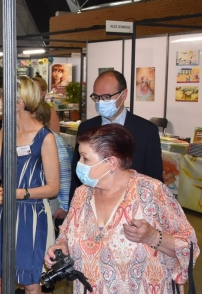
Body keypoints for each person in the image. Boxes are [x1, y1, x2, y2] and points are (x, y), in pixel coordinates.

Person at [45, 124, 199, 294]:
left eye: (85, 159)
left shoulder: (152, 193)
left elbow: (190, 245)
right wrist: (61, 248)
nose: (79, 165)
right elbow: (67, 236)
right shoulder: (81, 195)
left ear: (112, 162)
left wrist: (154, 237)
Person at [0, 76, 59, 294]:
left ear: (21, 101)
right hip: (4, 213)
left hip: (32, 216)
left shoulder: (45, 138)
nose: (0, 102)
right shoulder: (5, 132)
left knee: (30, 281)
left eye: (6, 97)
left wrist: (19, 194)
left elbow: (53, 188)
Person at [69, 70, 163, 201]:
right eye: (96, 97)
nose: (101, 102)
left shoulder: (146, 131)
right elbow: (77, 173)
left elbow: (154, 178)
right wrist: (73, 205)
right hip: (92, 203)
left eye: (106, 97)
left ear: (123, 94)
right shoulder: (86, 127)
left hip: (133, 205)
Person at [30, 100, 71, 294]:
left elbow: (64, 173)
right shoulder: (30, 138)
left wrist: (64, 204)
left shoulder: (52, 139)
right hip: (33, 202)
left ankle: (47, 288)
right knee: (35, 245)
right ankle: (33, 283)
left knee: (49, 246)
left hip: (51, 202)